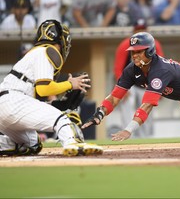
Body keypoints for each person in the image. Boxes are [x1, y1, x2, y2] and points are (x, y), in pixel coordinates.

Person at [0, 19, 103, 156]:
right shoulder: (48, 51)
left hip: (7, 105)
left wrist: (58, 104)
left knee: (32, 145)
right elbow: (44, 89)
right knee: (62, 119)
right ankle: (73, 143)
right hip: (14, 100)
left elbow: (35, 101)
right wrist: (70, 84)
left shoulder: (35, 53)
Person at [113, 19, 164, 138]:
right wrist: (123, 88)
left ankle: (146, 138)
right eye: (138, 30)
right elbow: (118, 68)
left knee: (147, 108)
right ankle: (127, 135)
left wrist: (159, 88)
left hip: (146, 82)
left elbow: (161, 67)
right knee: (127, 107)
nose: (140, 32)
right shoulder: (125, 45)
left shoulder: (155, 44)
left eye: (143, 29)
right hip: (130, 83)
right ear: (133, 32)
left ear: (147, 31)